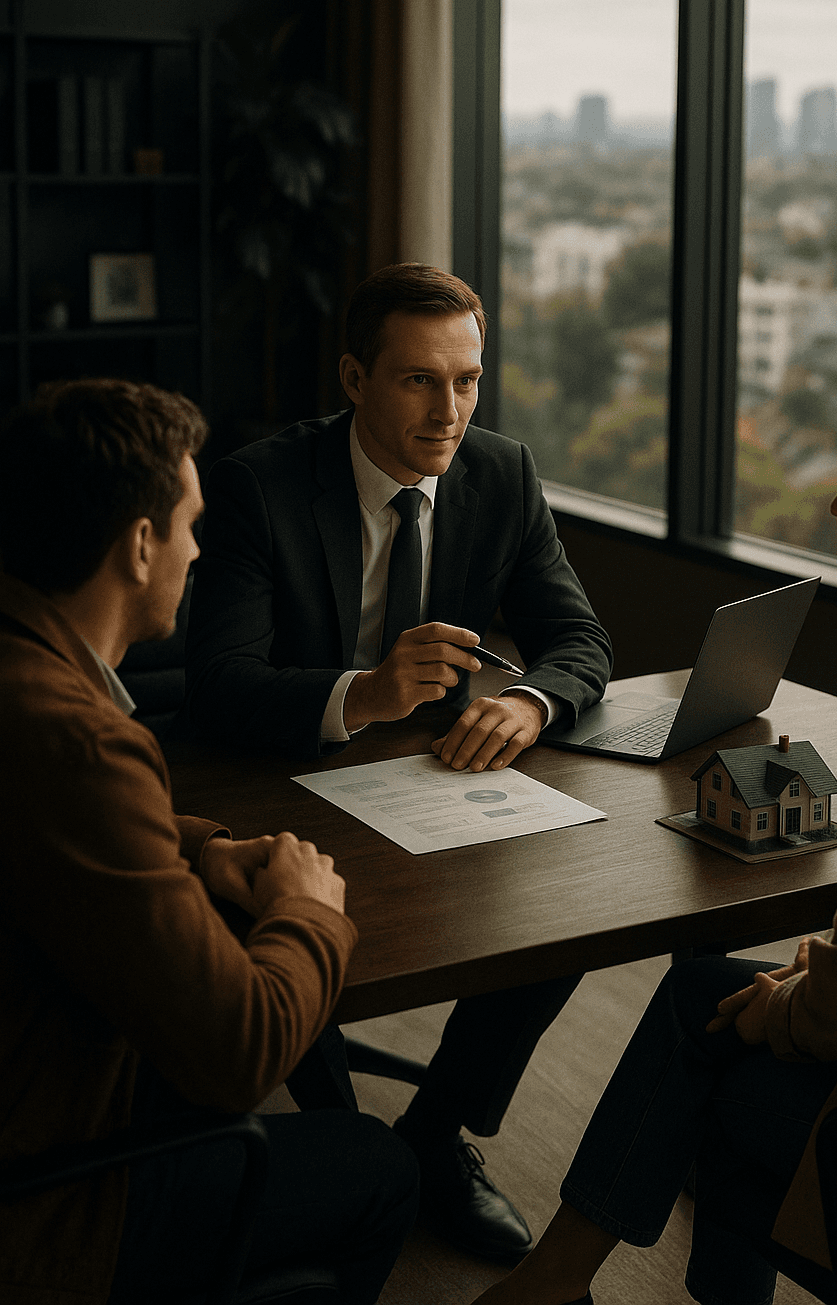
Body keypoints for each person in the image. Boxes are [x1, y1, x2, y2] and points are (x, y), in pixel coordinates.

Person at [470, 358, 837, 1305]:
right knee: (707, 1003)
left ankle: (555, 1281)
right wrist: (811, 979)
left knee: (716, 1041)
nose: (831, 504)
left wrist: (790, 1004)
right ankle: (559, 1282)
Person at [184, 262, 614, 1263]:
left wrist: (526, 697)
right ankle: (348, 1142)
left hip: (432, 782)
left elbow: (581, 640)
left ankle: (431, 1135)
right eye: (420, 380)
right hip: (283, 780)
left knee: (567, 918)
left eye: (466, 380)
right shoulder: (262, 484)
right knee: (318, 928)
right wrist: (362, 694)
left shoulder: (500, 472)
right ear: (354, 377)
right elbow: (219, 685)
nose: (450, 409)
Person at [0, 379, 418, 1305]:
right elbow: (239, 1054)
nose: (198, 548)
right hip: (42, 1202)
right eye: (187, 525)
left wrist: (196, 849)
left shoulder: (23, 672)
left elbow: (42, 818)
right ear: (139, 544)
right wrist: (308, 913)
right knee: (378, 1164)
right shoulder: (79, 738)